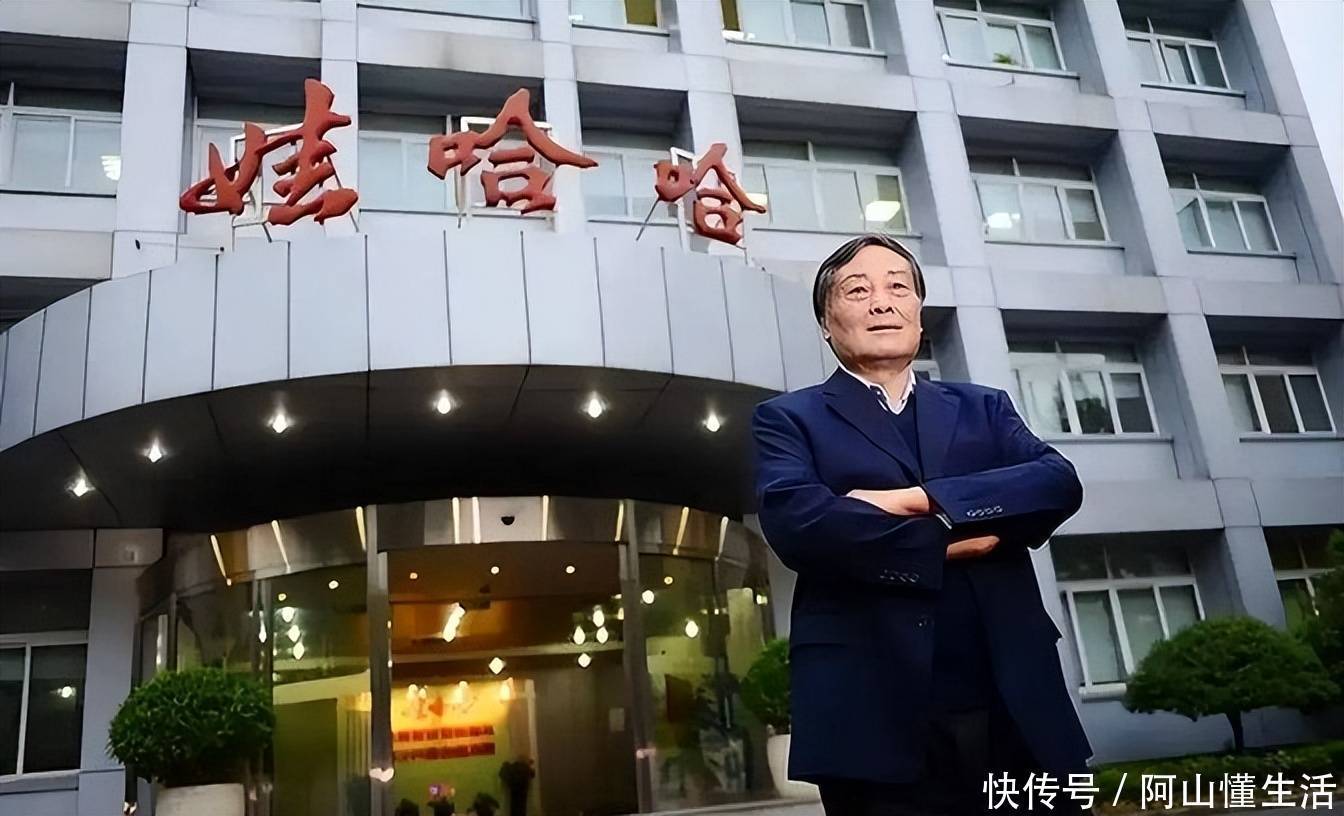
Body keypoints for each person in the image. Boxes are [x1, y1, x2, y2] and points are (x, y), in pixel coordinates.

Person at [750, 234, 1094, 815]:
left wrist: (912, 500)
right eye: (857, 290)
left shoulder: (984, 407)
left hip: (1011, 698)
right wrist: (946, 543)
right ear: (827, 324)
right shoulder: (788, 419)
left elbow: (1056, 483)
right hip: (870, 710)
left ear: (918, 311)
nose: (882, 302)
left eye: (898, 287)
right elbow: (801, 524)